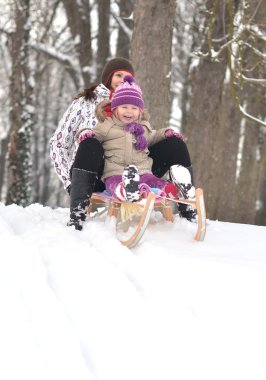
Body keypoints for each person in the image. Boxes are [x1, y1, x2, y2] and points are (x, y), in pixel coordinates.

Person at [49, 57, 195, 231]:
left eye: (127, 76)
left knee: (175, 144)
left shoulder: (134, 103)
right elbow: (58, 144)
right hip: (101, 171)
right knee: (90, 143)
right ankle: (77, 214)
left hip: (138, 168)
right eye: (118, 74)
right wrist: (71, 184)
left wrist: (167, 133)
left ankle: (186, 203)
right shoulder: (86, 102)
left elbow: (150, 136)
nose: (122, 79)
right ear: (108, 77)